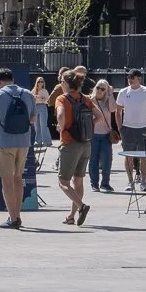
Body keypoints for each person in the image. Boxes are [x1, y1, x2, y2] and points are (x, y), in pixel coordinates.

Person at [0, 67, 37, 230]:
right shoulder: (27, 94)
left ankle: (13, 218)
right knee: (18, 178)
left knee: (6, 181)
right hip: (24, 142)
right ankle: (17, 214)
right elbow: (33, 119)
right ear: (12, 79)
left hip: (4, 142)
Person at [54, 73, 94, 226]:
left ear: (66, 83)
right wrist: (87, 128)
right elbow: (97, 115)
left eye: (61, 81)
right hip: (86, 143)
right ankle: (71, 216)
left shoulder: (62, 98)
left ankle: (82, 206)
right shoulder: (85, 99)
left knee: (63, 182)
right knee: (78, 180)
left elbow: (61, 114)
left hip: (70, 143)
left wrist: (61, 127)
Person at [113, 70, 146, 192]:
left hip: (144, 128)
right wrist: (120, 128)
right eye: (128, 77)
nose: (130, 79)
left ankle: (143, 181)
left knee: (144, 156)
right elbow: (118, 112)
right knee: (128, 156)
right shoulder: (123, 92)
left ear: (139, 79)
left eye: (132, 77)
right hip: (127, 128)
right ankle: (130, 181)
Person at [88, 79, 117, 193]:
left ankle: (105, 183)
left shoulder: (107, 101)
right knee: (93, 159)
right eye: (98, 88)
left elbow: (113, 109)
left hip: (106, 135)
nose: (99, 90)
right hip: (93, 134)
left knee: (107, 160)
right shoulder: (90, 100)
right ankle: (94, 184)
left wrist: (110, 94)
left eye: (103, 89)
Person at [29, 76, 53, 157]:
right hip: (35, 107)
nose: (40, 83)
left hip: (42, 107)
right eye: (39, 81)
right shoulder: (33, 91)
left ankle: (47, 141)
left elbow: (46, 100)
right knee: (36, 126)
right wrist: (36, 98)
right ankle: (38, 141)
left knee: (43, 125)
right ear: (37, 82)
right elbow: (30, 99)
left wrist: (40, 98)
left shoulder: (44, 91)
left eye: (42, 81)